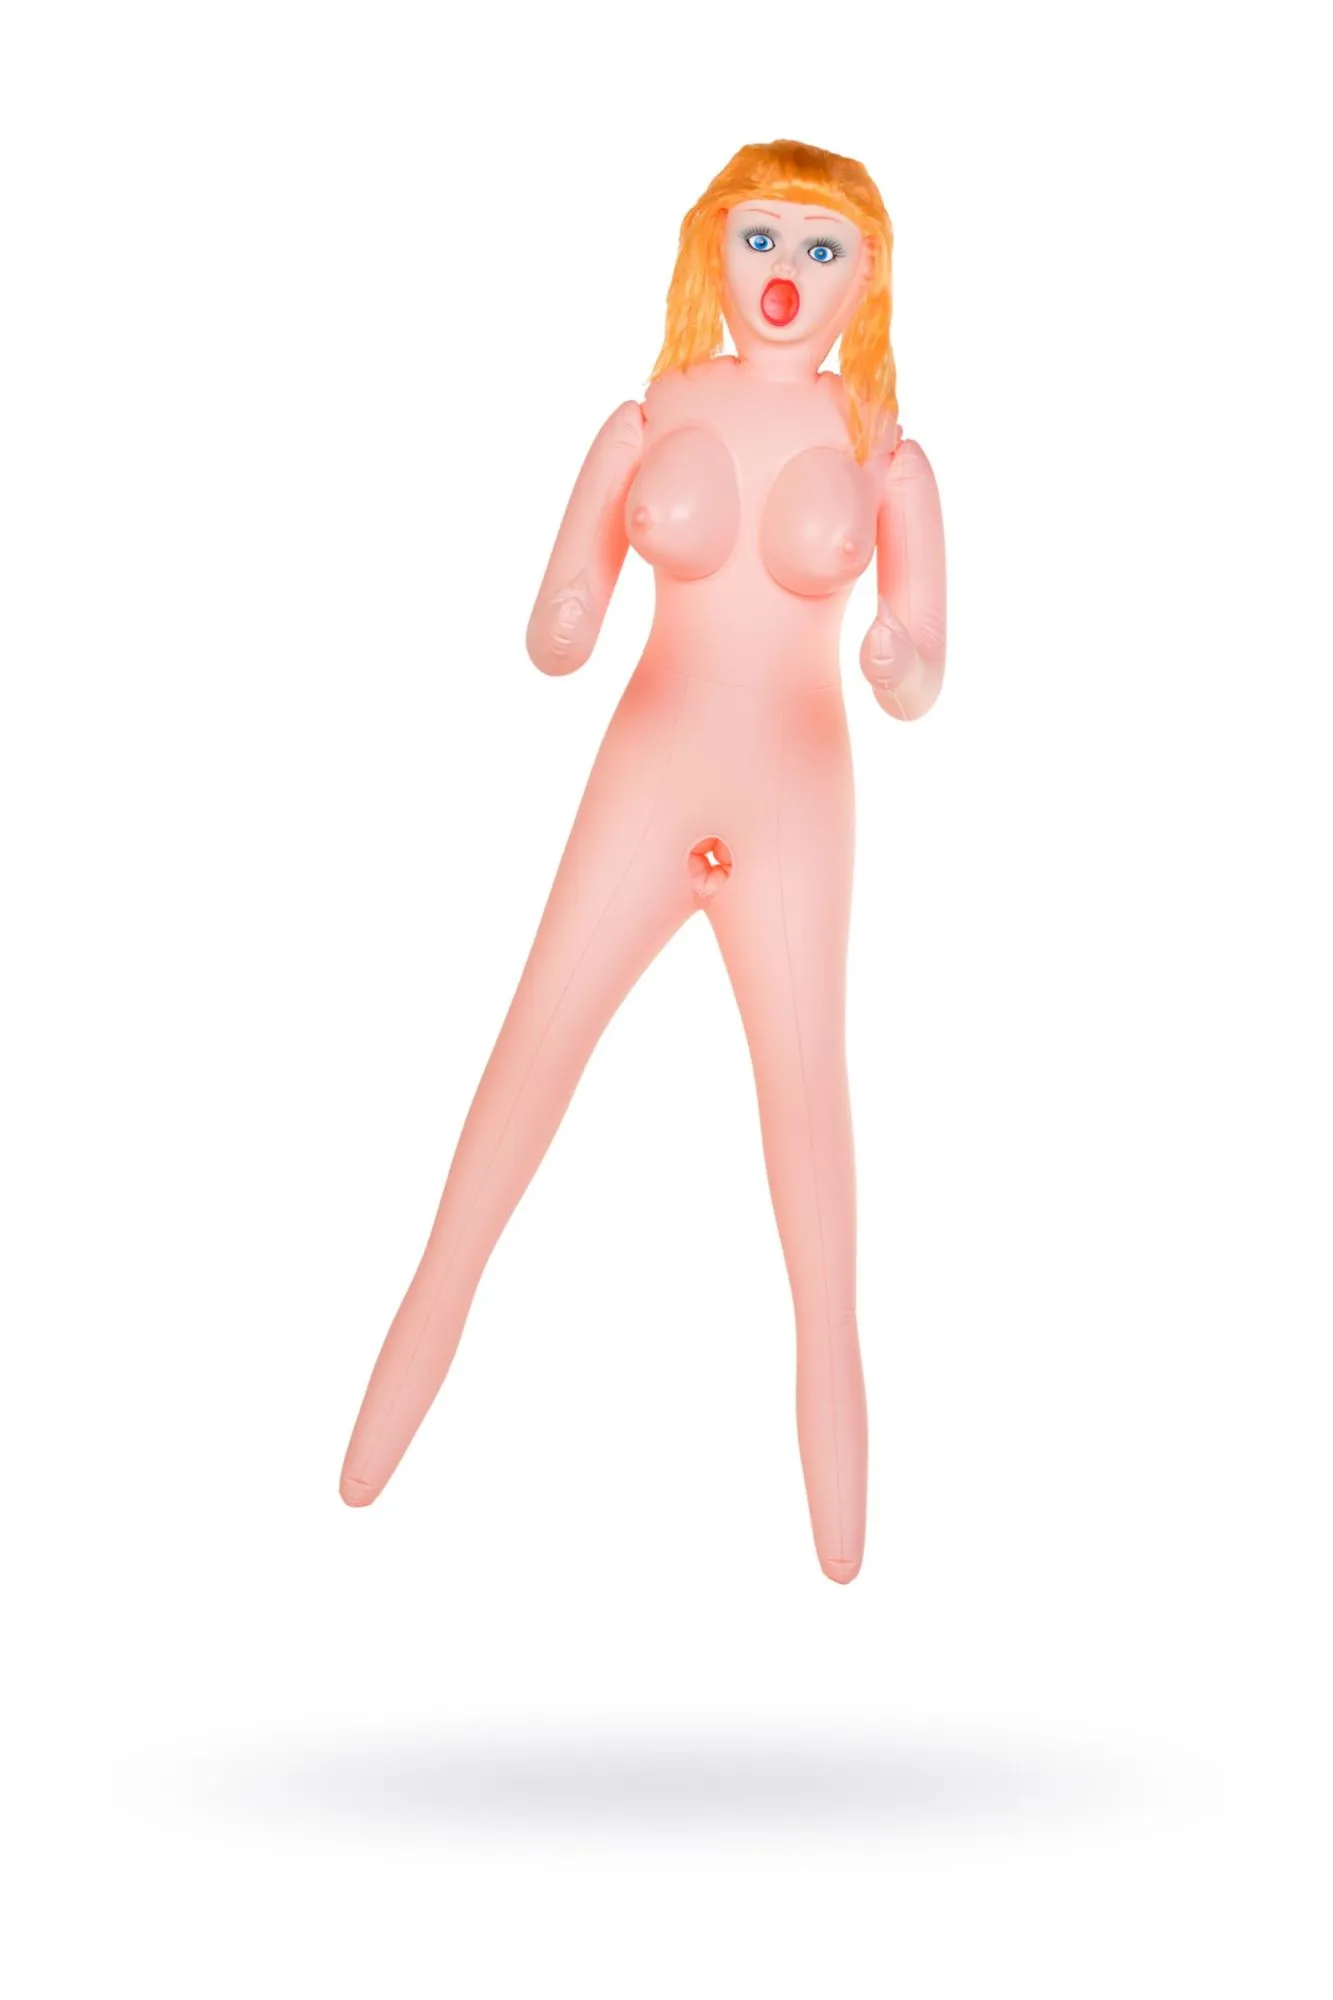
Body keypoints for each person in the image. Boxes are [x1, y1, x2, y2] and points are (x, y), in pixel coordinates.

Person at [340, 138, 947, 1582]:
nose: (785, 275)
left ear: (867, 273)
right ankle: (380, 1424)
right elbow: (559, 620)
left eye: (820, 248)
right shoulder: (650, 414)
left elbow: (923, 666)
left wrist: (895, 657)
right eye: (761, 239)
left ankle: (841, 1515)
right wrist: (561, 616)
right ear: (709, 247)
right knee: (524, 1066)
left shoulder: (885, 448)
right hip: (646, 776)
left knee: (808, 1132)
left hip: (794, 800)